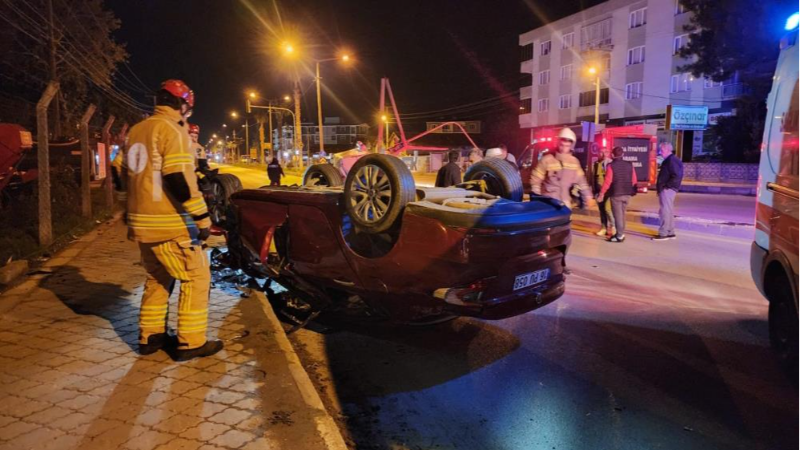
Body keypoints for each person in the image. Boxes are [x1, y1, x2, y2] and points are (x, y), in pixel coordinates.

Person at [124, 79, 222, 360]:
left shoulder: (136, 130)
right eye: (186, 110)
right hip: (168, 223)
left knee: (158, 276)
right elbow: (177, 178)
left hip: (141, 223)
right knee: (196, 277)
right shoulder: (172, 130)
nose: (185, 115)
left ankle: (150, 337)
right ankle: (191, 343)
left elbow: (122, 173)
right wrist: (202, 219)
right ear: (181, 105)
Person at [530, 127, 595, 208]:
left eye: (567, 146)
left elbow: (582, 182)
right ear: (557, 143)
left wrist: (588, 197)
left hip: (565, 203)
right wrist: (537, 198)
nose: (564, 148)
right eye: (562, 145)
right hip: (549, 203)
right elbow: (536, 180)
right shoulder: (547, 160)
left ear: (571, 146)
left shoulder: (574, 162)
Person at [597, 146, 638, 243]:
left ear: (612, 155)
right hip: (627, 193)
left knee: (618, 215)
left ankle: (619, 236)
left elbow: (607, 181)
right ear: (623, 154)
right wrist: (632, 190)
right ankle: (621, 233)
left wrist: (601, 193)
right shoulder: (629, 164)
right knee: (622, 214)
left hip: (616, 194)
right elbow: (634, 179)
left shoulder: (611, 166)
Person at [653, 142, 683, 241]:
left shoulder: (671, 160)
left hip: (668, 189)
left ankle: (663, 233)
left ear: (666, 150)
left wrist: (667, 186)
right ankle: (670, 232)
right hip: (669, 188)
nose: (660, 153)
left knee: (664, 211)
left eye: (661, 150)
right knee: (668, 210)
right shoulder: (672, 159)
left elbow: (677, 175)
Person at [593, 147, 616, 237]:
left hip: (608, 191)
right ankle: (604, 228)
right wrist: (593, 190)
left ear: (609, 153)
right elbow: (593, 177)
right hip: (598, 191)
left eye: (606, 152)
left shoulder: (610, 164)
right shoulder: (596, 164)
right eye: (601, 152)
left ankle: (614, 227)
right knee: (602, 210)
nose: (603, 154)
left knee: (608, 209)